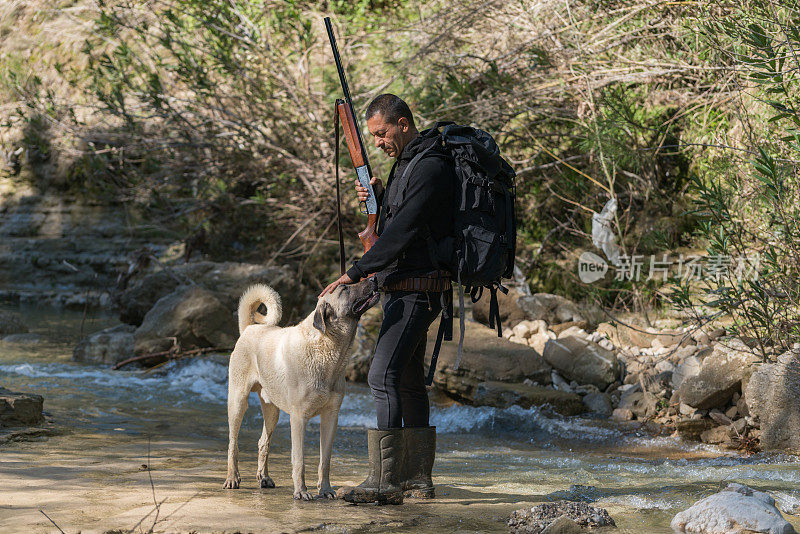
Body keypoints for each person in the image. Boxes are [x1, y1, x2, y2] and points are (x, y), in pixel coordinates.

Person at [318, 93, 456, 504]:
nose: (377, 141)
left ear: (403, 123)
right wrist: (378, 195)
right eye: (373, 135)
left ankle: (385, 481)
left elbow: (404, 233)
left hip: (417, 290)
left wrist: (355, 271)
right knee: (409, 381)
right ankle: (417, 480)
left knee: (381, 377)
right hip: (406, 288)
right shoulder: (408, 165)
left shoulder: (431, 166)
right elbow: (396, 220)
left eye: (382, 133)